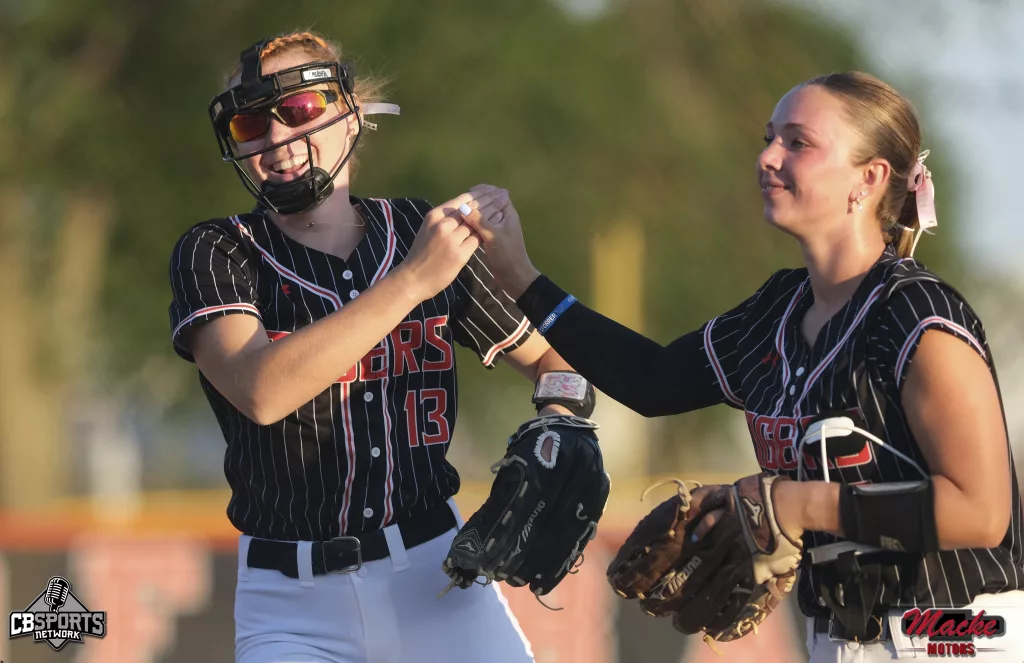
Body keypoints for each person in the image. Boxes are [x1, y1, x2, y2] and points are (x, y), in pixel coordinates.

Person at [459, 71, 1024, 661]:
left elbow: (981, 512)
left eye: (798, 142)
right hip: (840, 641)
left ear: (870, 178)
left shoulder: (916, 314)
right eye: (769, 138)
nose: (768, 157)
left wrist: (797, 504)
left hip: (955, 637)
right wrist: (522, 280)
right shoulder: (779, 309)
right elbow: (651, 381)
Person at [167, 30, 592, 663]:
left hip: (438, 582)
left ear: (352, 115)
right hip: (291, 604)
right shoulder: (218, 250)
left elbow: (560, 365)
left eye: (299, 110)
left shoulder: (417, 230)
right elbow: (260, 391)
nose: (276, 137)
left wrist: (558, 426)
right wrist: (413, 280)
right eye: (250, 124)